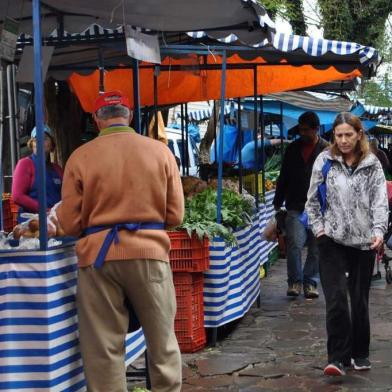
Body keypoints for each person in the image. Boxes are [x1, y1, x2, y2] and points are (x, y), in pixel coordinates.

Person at [55, 91, 184, 392]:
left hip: (98, 258)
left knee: (103, 348)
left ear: (96, 120)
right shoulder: (160, 151)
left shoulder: (80, 156)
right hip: (149, 253)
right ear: (128, 114)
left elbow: (71, 223)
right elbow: (176, 215)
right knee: (161, 341)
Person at [305, 112, 388, 377]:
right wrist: (319, 230)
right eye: (338, 135)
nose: (342, 140)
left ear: (359, 135)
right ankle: (337, 358)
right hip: (331, 241)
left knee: (359, 300)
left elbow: (379, 202)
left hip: (364, 242)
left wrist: (378, 231)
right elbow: (312, 201)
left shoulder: (372, 164)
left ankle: (360, 352)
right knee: (337, 299)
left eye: (348, 135)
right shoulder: (324, 161)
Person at [273, 111, 329, 298]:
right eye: (301, 130)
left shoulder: (327, 150)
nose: (302, 133)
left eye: (306, 130)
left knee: (316, 247)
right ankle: (295, 282)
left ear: (316, 129)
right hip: (295, 205)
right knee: (295, 243)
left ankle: (310, 282)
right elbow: (284, 176)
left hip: (320, 208)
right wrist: (277, 202)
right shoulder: (292, 149)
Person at [12, 125, 63, 222]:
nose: (40, 141)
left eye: (44, 138)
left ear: (52, 144)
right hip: (32, 222)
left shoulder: (57, 169)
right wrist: (45, 210)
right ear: (31, 145)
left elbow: (65, 195)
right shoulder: (25, 164)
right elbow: (17, 196)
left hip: (55, 220)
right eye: (36, 139)